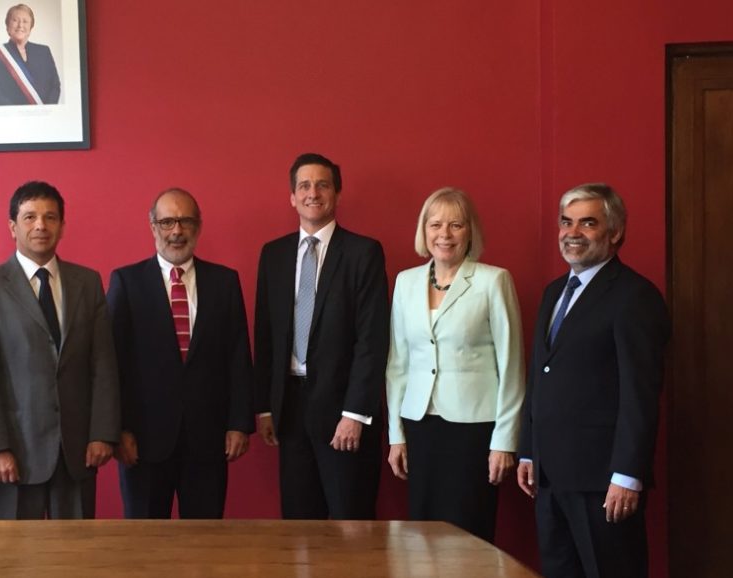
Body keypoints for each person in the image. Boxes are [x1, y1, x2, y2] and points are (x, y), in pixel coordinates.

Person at [517, 183, 670, 577]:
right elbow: (540, 376)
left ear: (614, 232)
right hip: (549, 477)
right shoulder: (554, 292)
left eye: (588, 223)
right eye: (566, 222)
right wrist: (529, 451)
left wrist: (628, 475)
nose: (573, 232)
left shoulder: (635, 296)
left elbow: (640, 394)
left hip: (603, 481)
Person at [0, 181, 120, 520]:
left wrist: (102, 433)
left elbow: (103, 364)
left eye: (50, 217)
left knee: (74, 549)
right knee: (13, 551)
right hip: (13, 455)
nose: (40, 226)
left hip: (77, 452)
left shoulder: (88, 282)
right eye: (30, 217)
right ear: (12, 226)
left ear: (62, 226)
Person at [384, 187, 524, 542]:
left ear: (470, 231)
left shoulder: (493, 280)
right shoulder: (406, 282)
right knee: (422, 534)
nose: (444, 234)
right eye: (435, 225)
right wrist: (396, 435)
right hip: (420, 427)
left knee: (469, 532)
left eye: (456, 225)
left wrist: (504, 441)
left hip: (473, 430)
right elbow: (398, 365)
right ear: (424, 231)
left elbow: (511, 367)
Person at [254, 153, 389, 519]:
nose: (313, 193)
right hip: (290, 411)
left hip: (343, 411)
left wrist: (355, 414)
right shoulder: (274, 254)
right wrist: (265, 406)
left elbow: (372, 340)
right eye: (304, 186)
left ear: (337, 194)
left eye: (322, 185)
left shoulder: (363, 253)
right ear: (292, 197)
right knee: (299, 526)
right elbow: (265, 336)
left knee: (351, 522)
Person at [107, 188, 254, 519]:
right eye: (167, 222)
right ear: (153, 226)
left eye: (186, 221)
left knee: (204, 541)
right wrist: (118, 430)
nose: (177, 231)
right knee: (145, 541)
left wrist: (239, 424)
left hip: (208, 440)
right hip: (142, 442)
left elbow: (238, 356)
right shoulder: (126, 282)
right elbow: (112, 363)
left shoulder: (224, 282)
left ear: (198, 226)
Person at [0, 4, 61, 105]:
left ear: (31, 27)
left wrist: (46, 110)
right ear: (7, 26)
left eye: (25, 21)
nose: (20, 25)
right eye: (15, 20)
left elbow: (54, 86)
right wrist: (15, 112)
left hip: (43, 113)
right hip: (11, 114)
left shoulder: (44, 51)